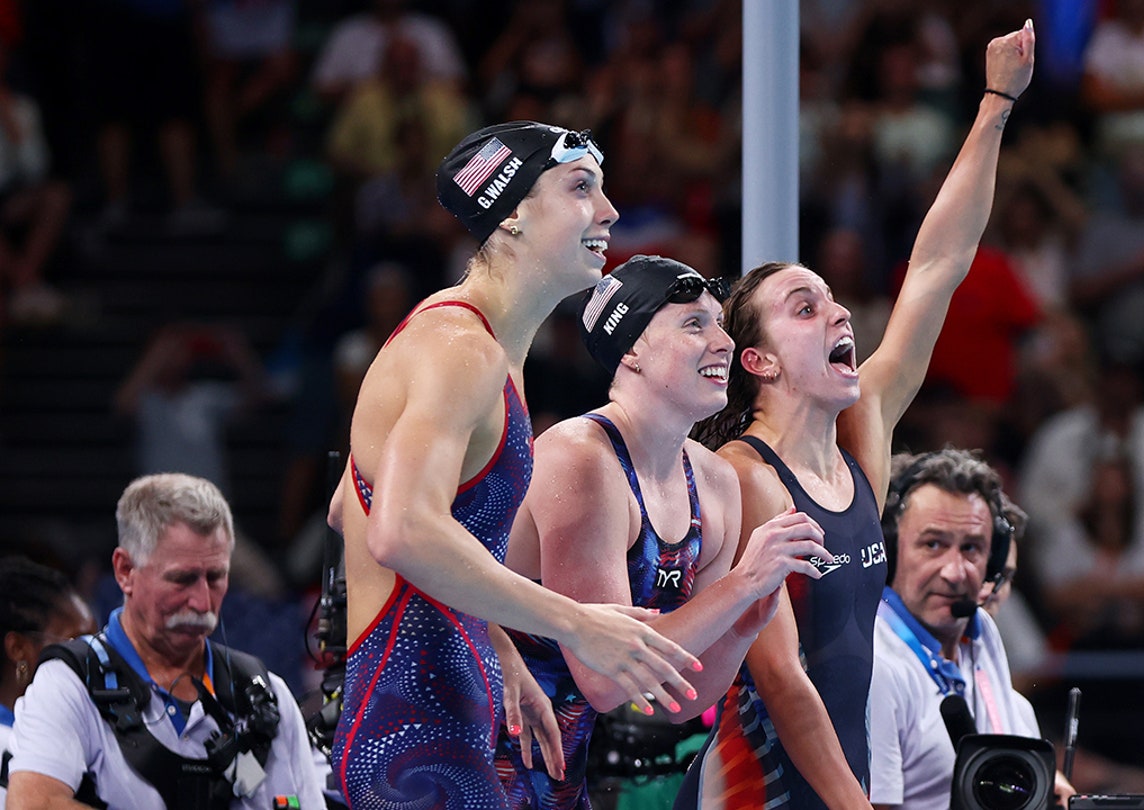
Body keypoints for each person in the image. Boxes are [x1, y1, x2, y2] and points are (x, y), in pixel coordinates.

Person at [675, 21, 1036, 809]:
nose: (839, 315)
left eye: (835, 301)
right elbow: (780, 678)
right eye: (806, 308)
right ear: (758, 362)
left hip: (842, 786)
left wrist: (995, 102)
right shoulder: (744, 476)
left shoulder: (858, 436)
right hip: (757, 790)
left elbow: (938, 264)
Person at [329, 121, 700, 809]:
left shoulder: (491, 351)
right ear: (513, 217)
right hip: (413, 747)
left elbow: (352, 499)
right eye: (581, 187)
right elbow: (400, 530)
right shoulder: (459, 349)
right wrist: (578, 623)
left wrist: (494, 639)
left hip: (442, 720)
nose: (611, 211)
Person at [495, 254, 831, 807]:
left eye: (719, 323)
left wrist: (746, 619)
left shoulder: (716, 482)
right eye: (693, 325)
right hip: (465, 737)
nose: (722, 342)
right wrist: (742, 583)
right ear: (631, 351)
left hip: (554, 765)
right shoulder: (582, 459)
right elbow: (605, 679)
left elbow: (680, 699)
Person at [4, 473, 324, 808]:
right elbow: (32, 804)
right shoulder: (68, 685)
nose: (203, 603)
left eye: (215, 577)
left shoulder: (266, 696)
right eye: (181, 579)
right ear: (125, 570)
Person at [868, 449, 1076, 809]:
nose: (955, 572)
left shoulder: (981, 634)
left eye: (971, 548)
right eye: (933, 544)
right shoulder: (877, 663)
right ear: (890, 547)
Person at [0, 557, 97, 805]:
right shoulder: (19, 749)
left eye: (97, 640)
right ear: (18, 648)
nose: (94, 655)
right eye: (77, 641)